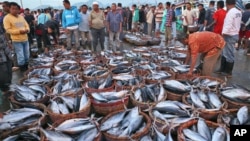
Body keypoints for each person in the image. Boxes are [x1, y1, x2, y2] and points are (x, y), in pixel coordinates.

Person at [217, 0, 242, 77]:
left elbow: (228, 25)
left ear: (226, 4)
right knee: (225, 52)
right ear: (234, 4)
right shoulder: (238, 12)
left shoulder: (230, 13)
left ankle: (228, 72)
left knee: (229, 53)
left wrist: (222, 35)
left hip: (229, 35)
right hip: (234, 33)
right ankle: (222, 69)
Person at [4, 2, 30, 71]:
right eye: (13, 9)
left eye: (16, 9)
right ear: (9, 9)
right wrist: (19, 32)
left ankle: (27, 68)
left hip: (25, 39)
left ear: (18, 10)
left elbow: (26, 25)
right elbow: (8, 30)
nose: (15, 10)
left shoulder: (21, 17)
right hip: (16, 41)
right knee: (20, 56)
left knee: (27, 55)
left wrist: (27, 29)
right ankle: (23, 70)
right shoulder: (7, 18)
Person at [0, 28, 13, 92]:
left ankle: (9, 85)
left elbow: (4, 33)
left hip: (6, 49)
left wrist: (9, 42)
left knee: (9, 69)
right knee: (3, 72)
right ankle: (4, 89)